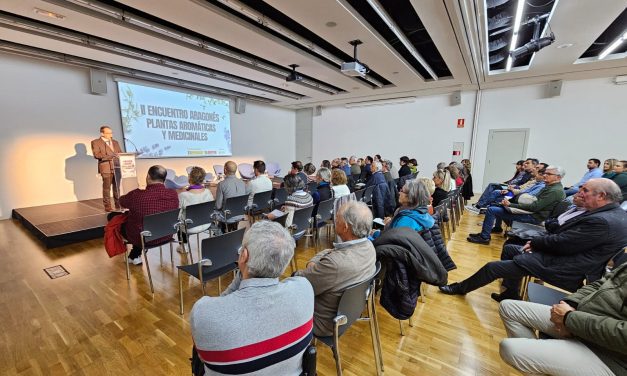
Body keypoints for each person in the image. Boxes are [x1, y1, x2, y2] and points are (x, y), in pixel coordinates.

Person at [440, 178, 627, 301]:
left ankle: (460, 288)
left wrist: (536, 244)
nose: (578, 192)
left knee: (492, 267)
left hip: (566, 268)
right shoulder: (613, 214)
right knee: (511, 248)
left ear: (601, 196)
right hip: (569, 258)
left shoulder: (601, 221)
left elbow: (563, 243)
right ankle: (511, 292)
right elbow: (564, 236)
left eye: (585, 190)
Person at [191, 221, 314, 376]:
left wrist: (244, 269)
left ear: (243, 256)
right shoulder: (304, 289)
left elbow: (220, 306)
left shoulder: (203, 313)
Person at [498, 262, 627, 376]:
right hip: (580, 319)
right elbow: (601, 283)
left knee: (509, 348)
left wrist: (569, 319)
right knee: (508, 308)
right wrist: (570, 305)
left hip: (610, 357)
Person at [294, 201, 376, 336]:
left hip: (323, 321)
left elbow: (302, 284)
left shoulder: (335, 264)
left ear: (345, 227)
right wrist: (316, 263)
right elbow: (330, 251)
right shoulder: (368, 247)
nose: (333, 219)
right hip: (349, 312)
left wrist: (310, 265)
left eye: (336, 217)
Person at [467, 165, 566, 245]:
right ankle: (493, 229)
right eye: (545, 173)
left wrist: (511, 205)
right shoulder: (550, 187)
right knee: (497, 205)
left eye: (548, 174)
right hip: (532, 212)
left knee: (492, 210)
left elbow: (534, 207)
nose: (545, 175)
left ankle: (484, 237)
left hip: (534, 216)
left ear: (558, 177)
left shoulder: (554, 191)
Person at [118, 165, 179, 265]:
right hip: (166, 235)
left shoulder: (136, 195)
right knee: (140, 220)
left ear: (148, 177)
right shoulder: (173, 194)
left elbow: (121, 201)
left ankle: (134, 255)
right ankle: (134, 255)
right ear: (164, 179)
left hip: (144, 238)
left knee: (115, 218)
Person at [177, 166, 213, 253]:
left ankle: (184, 246)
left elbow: (178, 214)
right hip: (206, 224)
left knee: (179, 222)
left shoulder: (183, 195)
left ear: (190, 179)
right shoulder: (208, 192)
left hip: (189, 228)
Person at [91, 125, 123, 212]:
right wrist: (110, 156)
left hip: (116, 167)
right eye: (108, 133)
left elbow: (120, 153)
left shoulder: (115, 142)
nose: (111, 135)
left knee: (117, 187)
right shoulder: (96, 142)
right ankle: (107, 206)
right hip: (106, 167)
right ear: (102, 133)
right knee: (107, 188)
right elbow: (97, 155)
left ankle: (118, 204)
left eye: (111, 133)